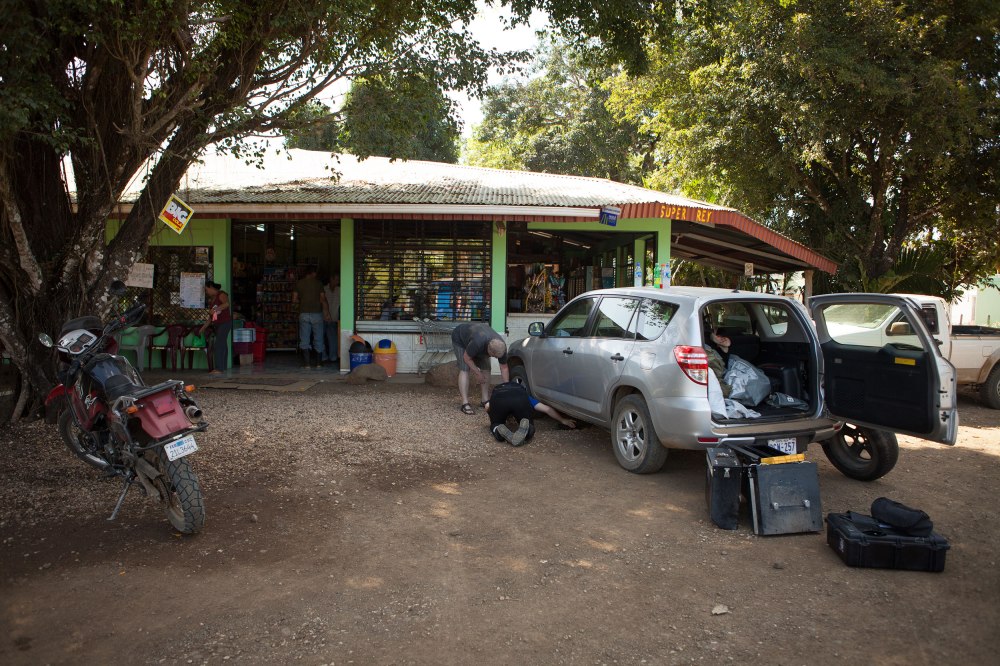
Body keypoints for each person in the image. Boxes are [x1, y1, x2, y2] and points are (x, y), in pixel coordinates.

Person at [485, 381, 576, 447]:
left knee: (495, 423)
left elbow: (487, 406)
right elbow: (547, 409)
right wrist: (563, 420)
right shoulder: (525, 394)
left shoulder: (497, 390)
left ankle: (498, 429)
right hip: (519, 397)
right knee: (527, 422)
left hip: (498, 398)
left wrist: (493, 414)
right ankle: (528, 429)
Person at [451, 322, 510, 415]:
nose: (495, 358)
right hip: (460, 338)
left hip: (478, 336)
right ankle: (465, 403)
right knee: (465, 368)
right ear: (488, 350)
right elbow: (467, 358)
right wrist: (477, 373)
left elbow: (504, 368)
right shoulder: (478, 343)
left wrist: (508, 388)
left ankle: (484, 400)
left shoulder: (501, 347)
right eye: (493, 356)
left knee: (486, 368)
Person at [292, 266, 328, 368]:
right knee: (319, 338)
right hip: (317, 314)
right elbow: (322, 299)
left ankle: (307, 364)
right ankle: (318, 363)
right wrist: (326, 312)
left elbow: (294, 300)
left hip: (303, 314)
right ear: (312, 273)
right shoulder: (318, 283)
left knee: (304, 339)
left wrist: (301, 302)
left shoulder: (299, 283)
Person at [199, 281, 232, 375]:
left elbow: (226, 304)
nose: (206, 292)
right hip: (217, 324)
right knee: (223, 345)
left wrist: (214, 310)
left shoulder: (221, 294)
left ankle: (219, 369)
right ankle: (223, 367)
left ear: (212, 287)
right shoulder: (212, 299)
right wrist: (203, 327)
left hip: (225, 323)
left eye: (206, 289)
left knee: (218, 345)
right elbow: (211, 318)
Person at [705, 330, 733, 397]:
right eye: (719, 336)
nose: (723, 338)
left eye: (724, 337)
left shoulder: (730, 354)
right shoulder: (712, 353)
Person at [323, 274, 340, 364]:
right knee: (320, 339)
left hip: (333, 318)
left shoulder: (340, 290)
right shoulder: (323, 289)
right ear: (331, 279)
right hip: (322, 317)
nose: (337, 282)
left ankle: (333, 357)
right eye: (336, 279)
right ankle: (323, 357)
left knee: (333, 339)